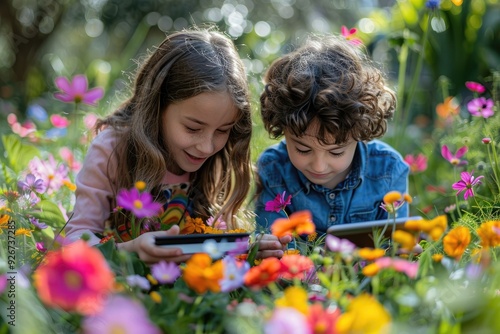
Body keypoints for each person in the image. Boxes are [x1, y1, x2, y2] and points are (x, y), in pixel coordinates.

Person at [65, 28, 286, 264]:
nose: (206, 147)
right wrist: (130, 250)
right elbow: (76, 240)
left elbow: (207, 242)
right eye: (193, 128)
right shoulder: (111, 149)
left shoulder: (213, 159)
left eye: (222, 130)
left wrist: (244, 250)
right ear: (157, 107)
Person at [253, 33, 410, 235]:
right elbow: (274, 247)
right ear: (284, 129)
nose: (319, 166)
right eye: (302, 149)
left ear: (359, 133)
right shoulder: (274, 170)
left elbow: (394, 247)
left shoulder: (389, 170)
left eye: (336, 152)